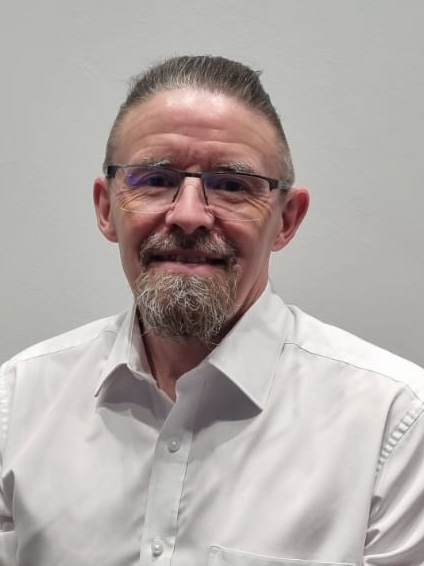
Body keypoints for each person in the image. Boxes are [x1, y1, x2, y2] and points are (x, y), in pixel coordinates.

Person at [0, 55, 423, 566]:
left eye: (232, 185)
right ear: (106, 208)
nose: (188, 215)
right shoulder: (16, 403)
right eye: (154, 179)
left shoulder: (396, 424)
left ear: (286, 220)